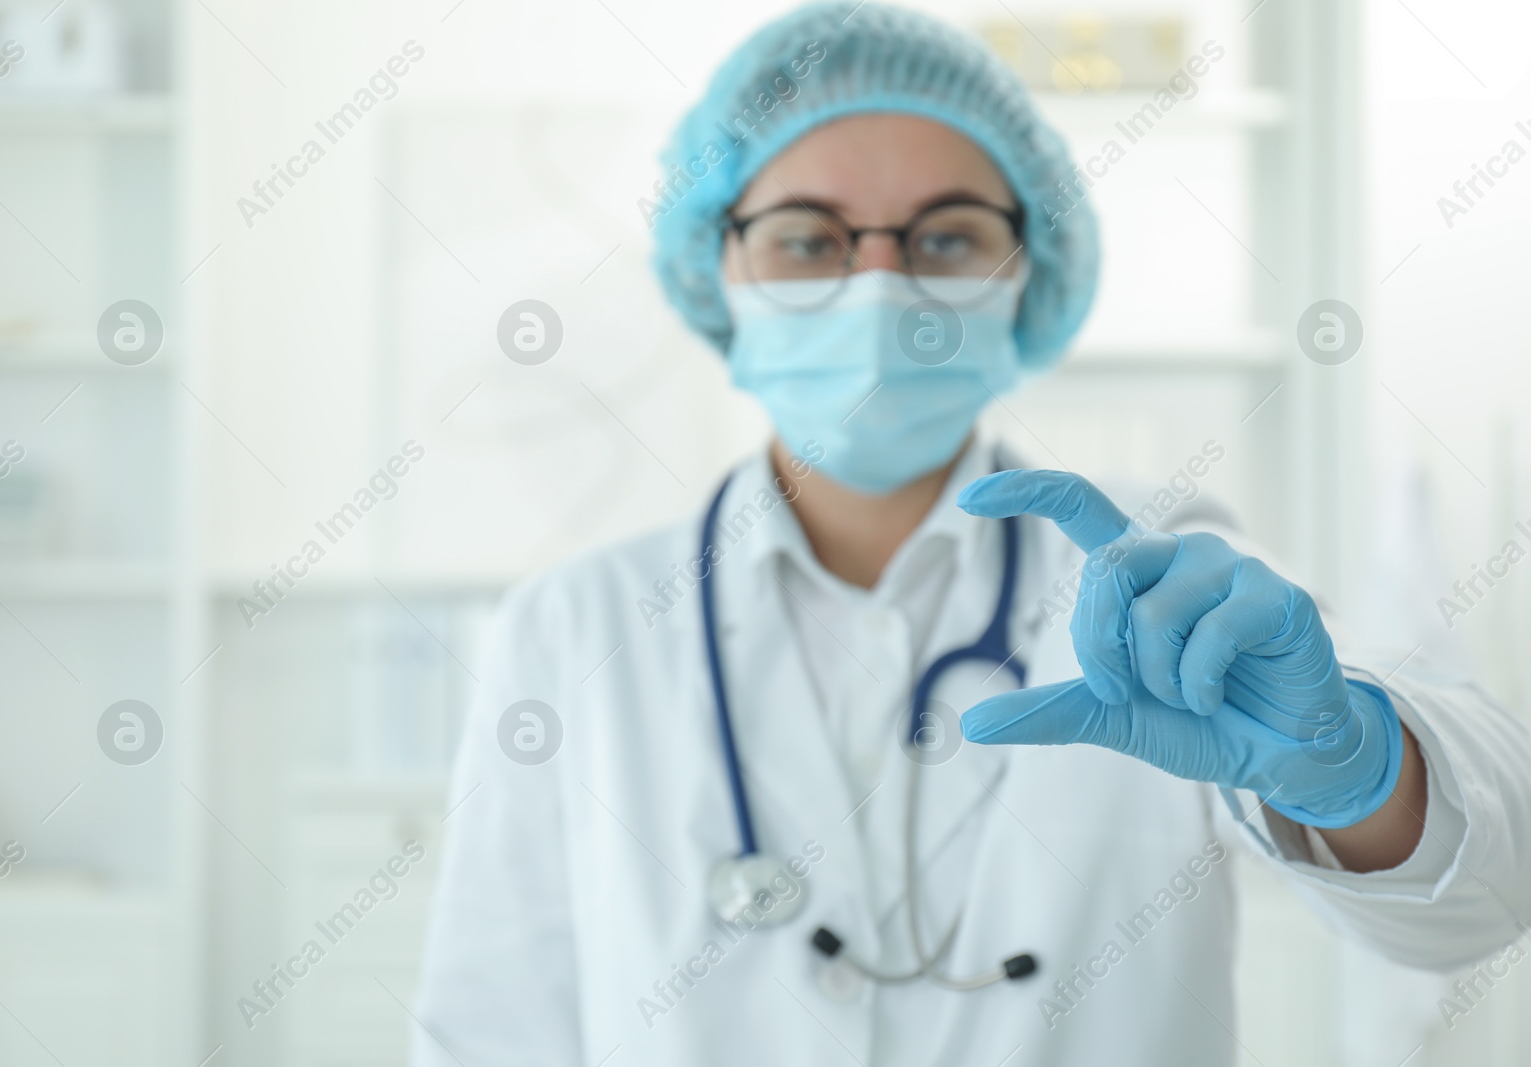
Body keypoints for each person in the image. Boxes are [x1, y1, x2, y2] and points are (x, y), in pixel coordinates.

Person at [413, 5, 1531, 1064]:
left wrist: (1359, 772)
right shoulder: (575, 624)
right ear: (718, 267)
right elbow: (490, 1028)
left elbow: (1478, 905)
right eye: (809, 241)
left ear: (1027, 270)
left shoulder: (1154, 568)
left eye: (946, 239)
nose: (878, 289)